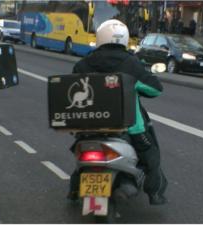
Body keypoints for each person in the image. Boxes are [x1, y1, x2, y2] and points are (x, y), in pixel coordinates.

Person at [67, 19, 168, 205]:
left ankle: (74, 189)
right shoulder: (131, 63)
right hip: (129, 128)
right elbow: (155, 89)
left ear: (100, 38)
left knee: (81, 152)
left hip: (89, 126)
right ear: (124, 39)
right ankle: (154, 193)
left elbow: (70, 88)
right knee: (151, 156)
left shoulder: (83, 64)